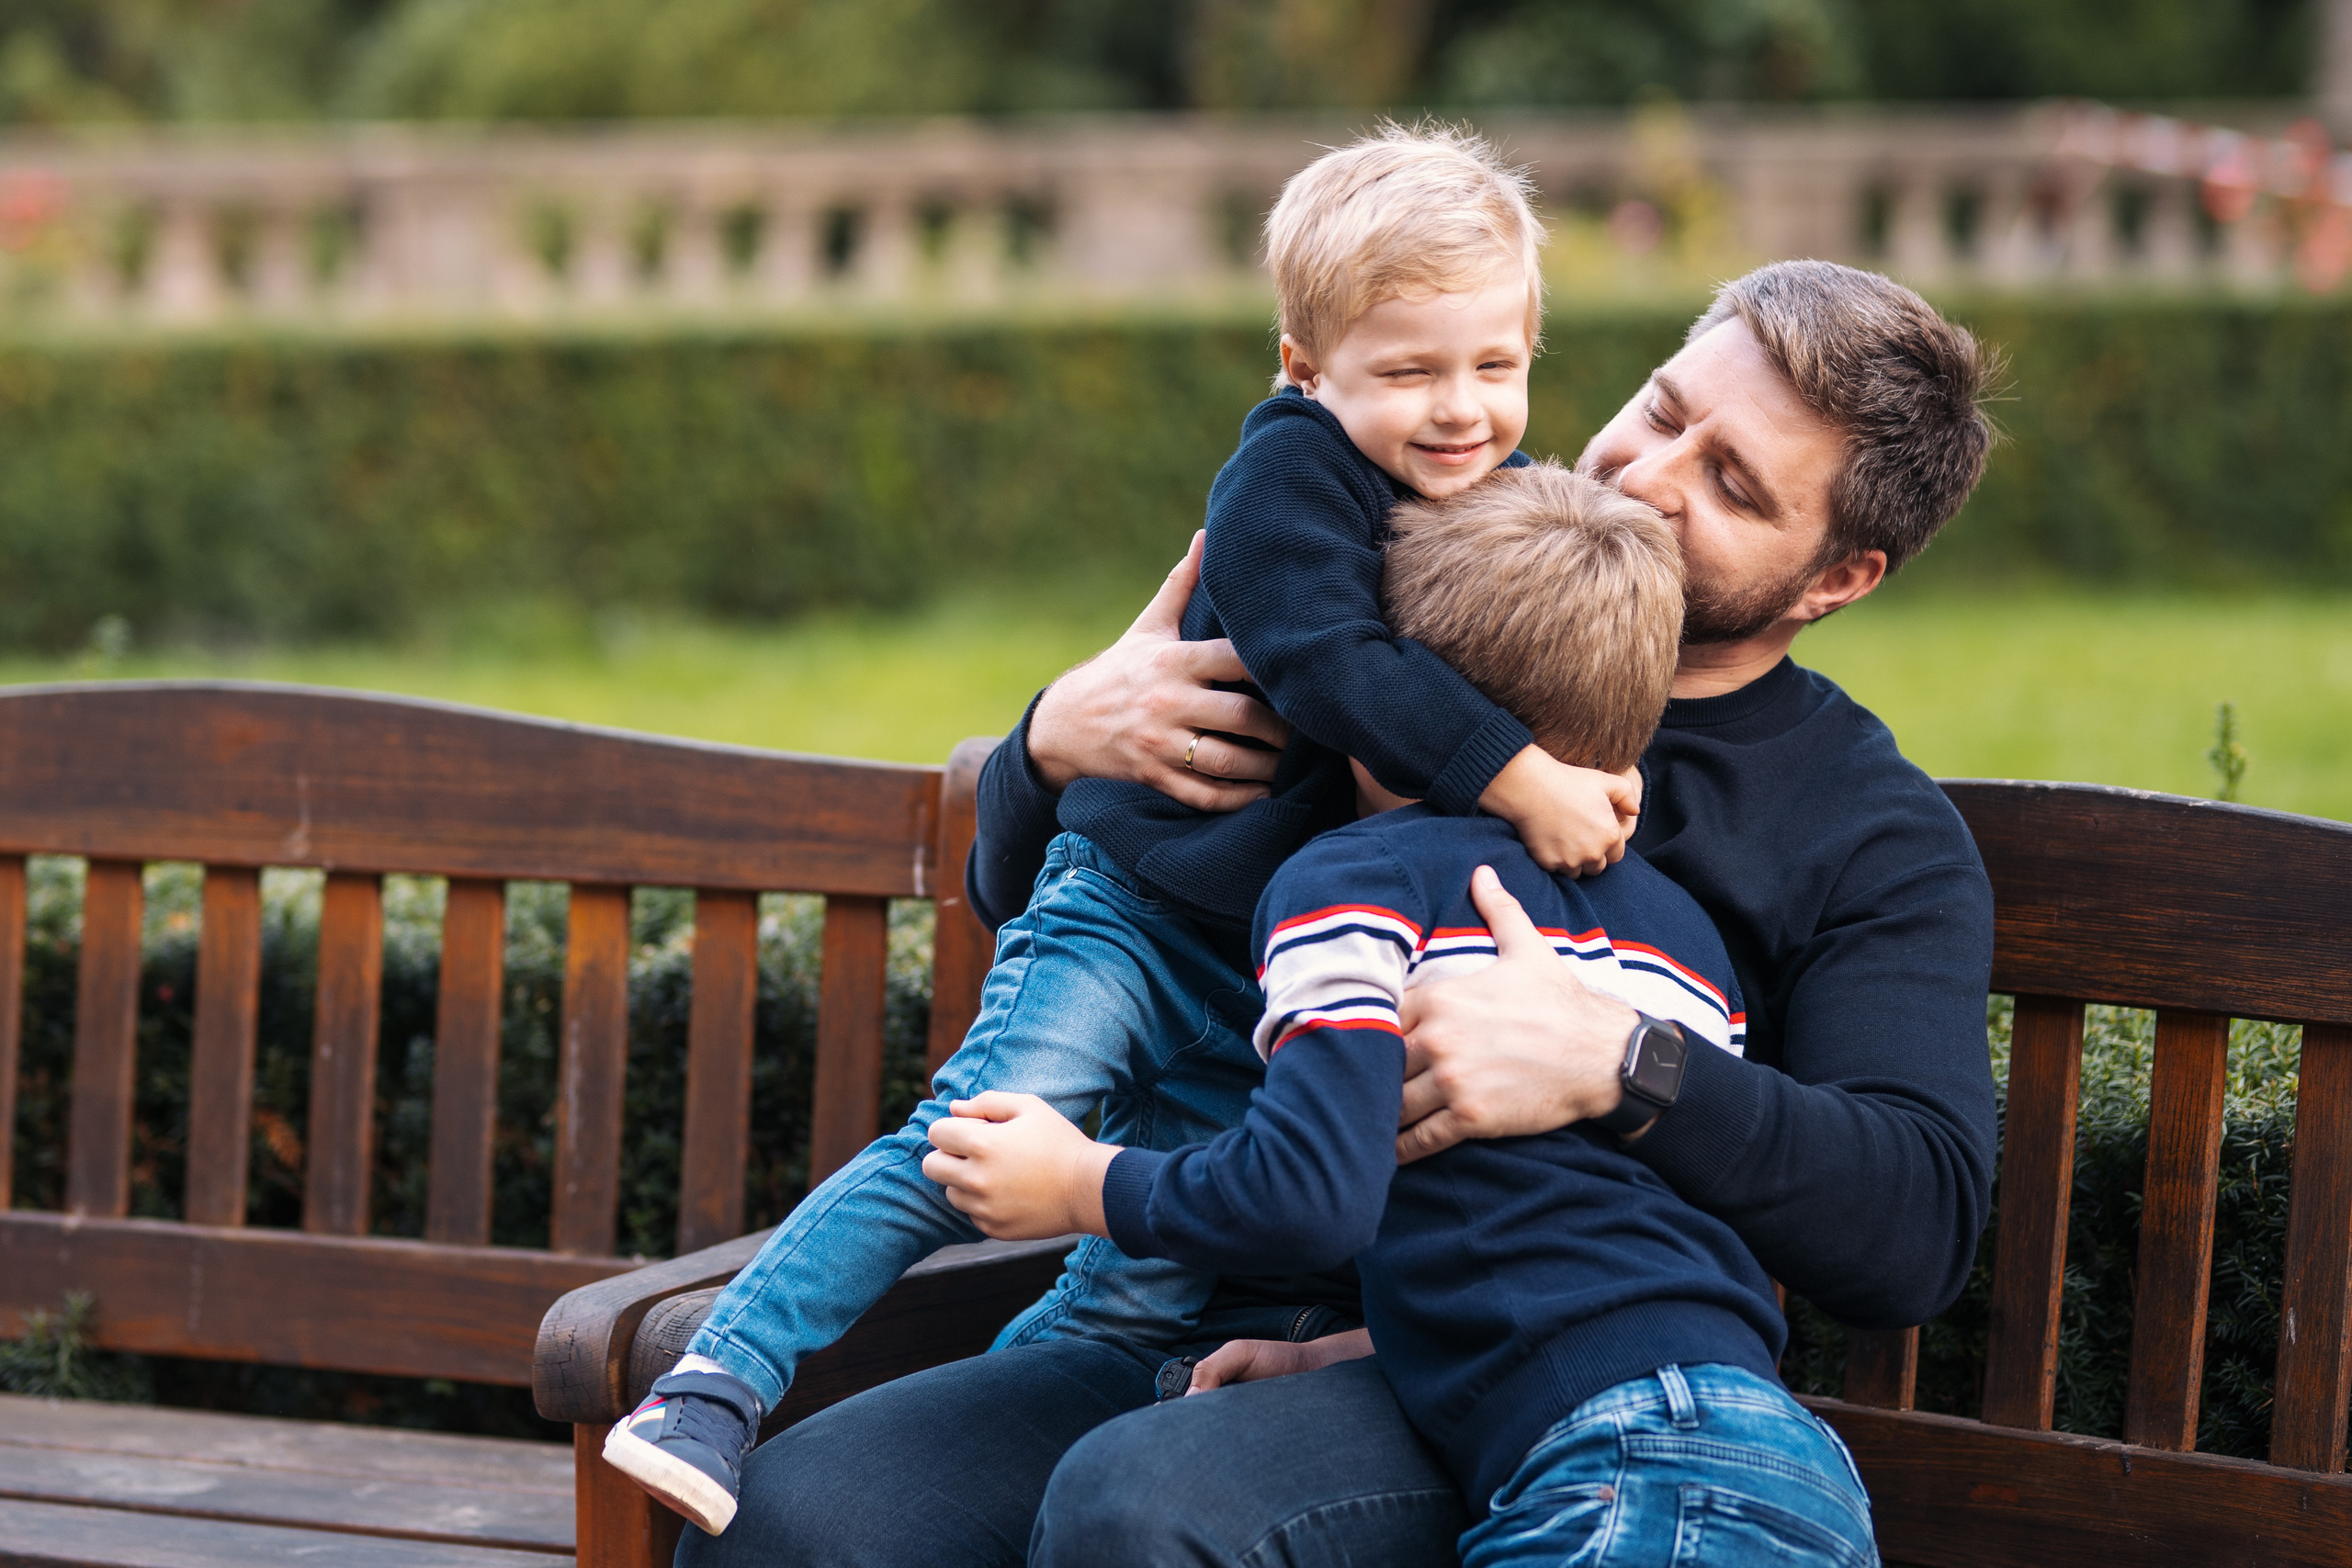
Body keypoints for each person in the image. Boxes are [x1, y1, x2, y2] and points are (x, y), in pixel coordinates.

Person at [694, 258, 2000, 1568]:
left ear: (1835, 576)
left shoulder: (1861, 826)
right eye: (1664, 411)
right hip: (1171, 1277)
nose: (1648, 476)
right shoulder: (1424, 577)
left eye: (1732, 484)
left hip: (1499, 1356)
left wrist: (1617, 1060)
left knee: (1146, 1502)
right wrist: (1052, 746)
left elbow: (1916, 1225)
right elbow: (1055, 912)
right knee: (792, 1526)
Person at [616, 123, 1631, 1538]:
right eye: (1408, 369)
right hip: (1134, 909)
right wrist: (1526, 775)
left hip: (1255, 964)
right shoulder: (1288, 476)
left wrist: (1596, 757)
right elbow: (1330, 666)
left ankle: (993, 1478)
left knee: (1139, 1282)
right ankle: (720, 1376)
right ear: (1302, 365)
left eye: (1495, 364)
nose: (1460, 407)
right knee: (973, 1133)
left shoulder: (1481, 496)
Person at [923, 461, 1877, 1566]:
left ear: (1370, 722)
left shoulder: (1352, 888)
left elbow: (1309, 1197)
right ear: (1624, 747)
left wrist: (1080, 1183)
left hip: (1609, 1471)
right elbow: (1580, 1227)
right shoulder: (1678, 930)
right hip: (1765, 1448)